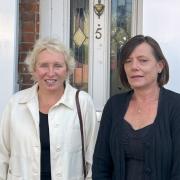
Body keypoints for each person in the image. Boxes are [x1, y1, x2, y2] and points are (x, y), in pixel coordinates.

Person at [0, 38, 98, 180]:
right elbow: (2, 155)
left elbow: (93, 157)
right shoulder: (16, 103)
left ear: (67, 70)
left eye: (58, 65)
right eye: (44, 65)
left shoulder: (82, 102)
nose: (51, 73)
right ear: (34, 69)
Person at [92, 35, 180, 180]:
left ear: (160, 66)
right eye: (128, 61)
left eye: (143, 61)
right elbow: (101, 164)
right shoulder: (114, 106)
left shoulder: (176, 106)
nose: (134, 67)